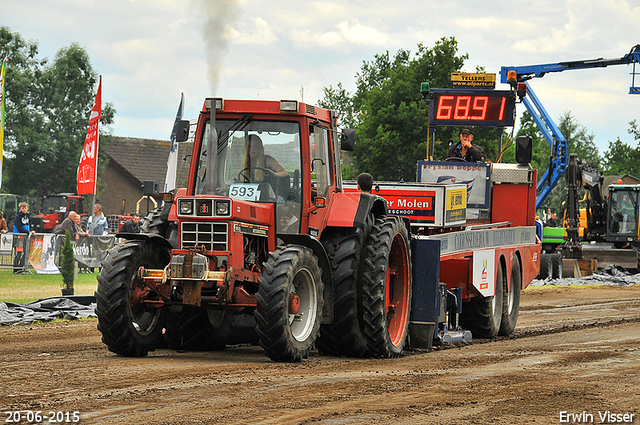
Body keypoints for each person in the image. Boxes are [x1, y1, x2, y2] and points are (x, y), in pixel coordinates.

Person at [13, 202, 34, 274]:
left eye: (25, 208)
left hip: (26, 237)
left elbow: (30, 224)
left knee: (26, 253)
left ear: (27, 208)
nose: (24, 209)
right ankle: (15, 269)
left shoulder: (28, 216)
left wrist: (31, 231)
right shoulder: (18, 216)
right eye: (22, 208)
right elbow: (18, 227)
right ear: (20, 208)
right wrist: (26, 232)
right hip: (19, 236)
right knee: (19, 253)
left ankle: (21, 267)